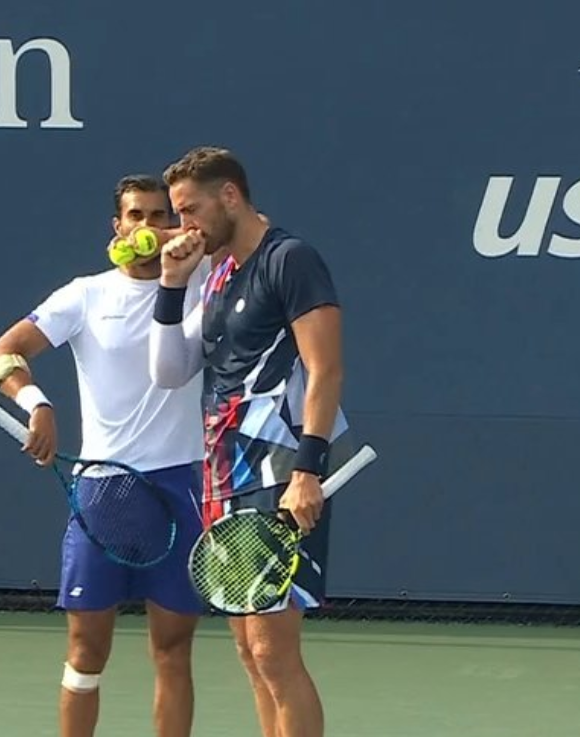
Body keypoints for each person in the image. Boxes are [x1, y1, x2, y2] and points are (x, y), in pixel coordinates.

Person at [0, 174, 211, 737]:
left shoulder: (206, 283)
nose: (150, 227)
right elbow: (3, 354)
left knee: (173, 649)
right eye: (138, 216)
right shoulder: (85, 295)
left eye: (162, 216)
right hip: (106, 491)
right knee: (86, 651)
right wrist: (36, 405)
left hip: (184, 485)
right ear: (118, 226)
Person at [149, 146, 350, 737]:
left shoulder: (291, 259)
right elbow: (171, 370)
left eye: (189, 210)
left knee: (272, 649)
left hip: (279, 467)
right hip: (223, 470)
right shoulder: (216, 275)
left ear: (229, 196)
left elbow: (325, 369)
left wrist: (308, 470)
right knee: (247, 648)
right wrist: (171, 284)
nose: (183, 226)